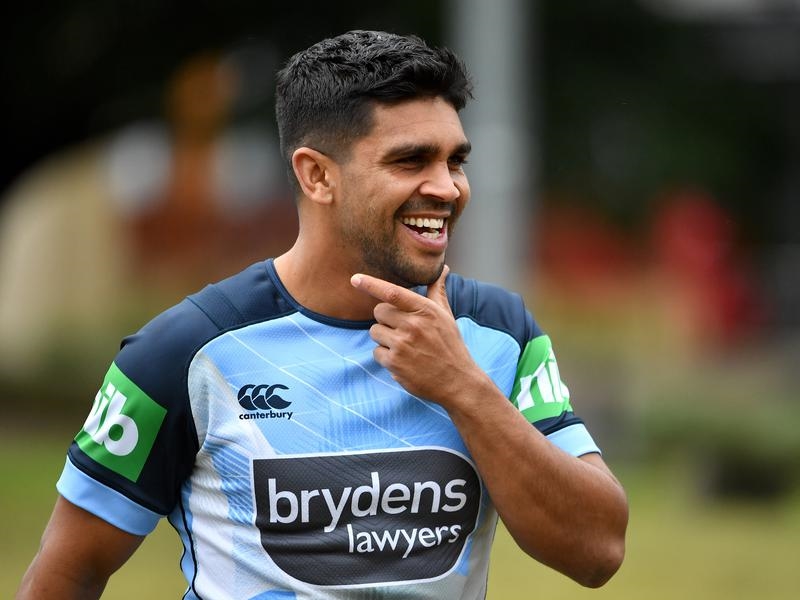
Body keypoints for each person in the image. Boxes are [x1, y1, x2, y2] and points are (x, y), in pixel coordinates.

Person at [17, 30, 628, 599]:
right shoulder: (185, 351)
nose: (446, 187)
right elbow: (68, 569)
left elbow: (597, 551)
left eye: (455, 161)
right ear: (316, 175)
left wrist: (462, 387)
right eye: (411, 161)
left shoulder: (500, 332)